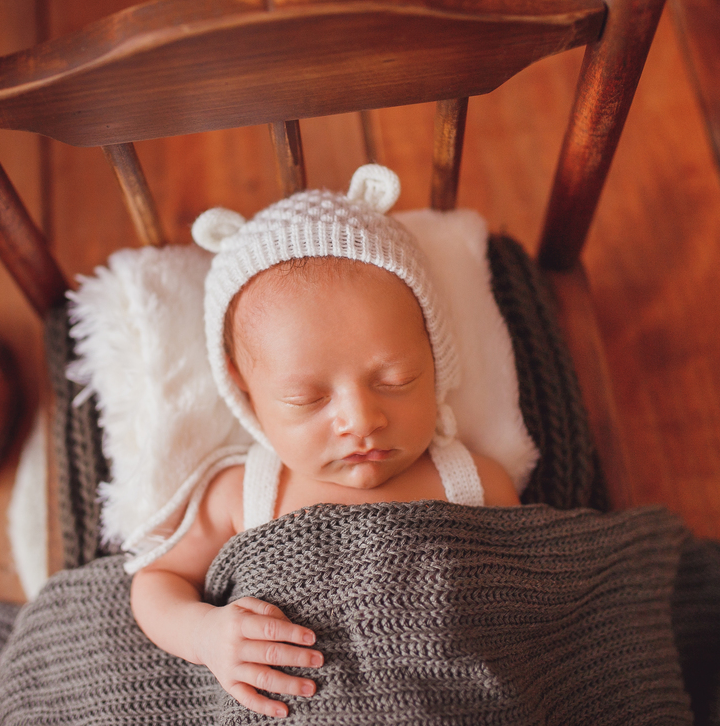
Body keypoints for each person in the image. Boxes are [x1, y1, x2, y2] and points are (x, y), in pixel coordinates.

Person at [130, 165, 520, 719]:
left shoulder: (475, 481)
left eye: (396, 380)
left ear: (435, 358)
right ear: (246, 391)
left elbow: (533, 604)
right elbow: (157, 580)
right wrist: (205, 634)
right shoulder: (246, 492)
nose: (361, 420)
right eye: (308, 398)